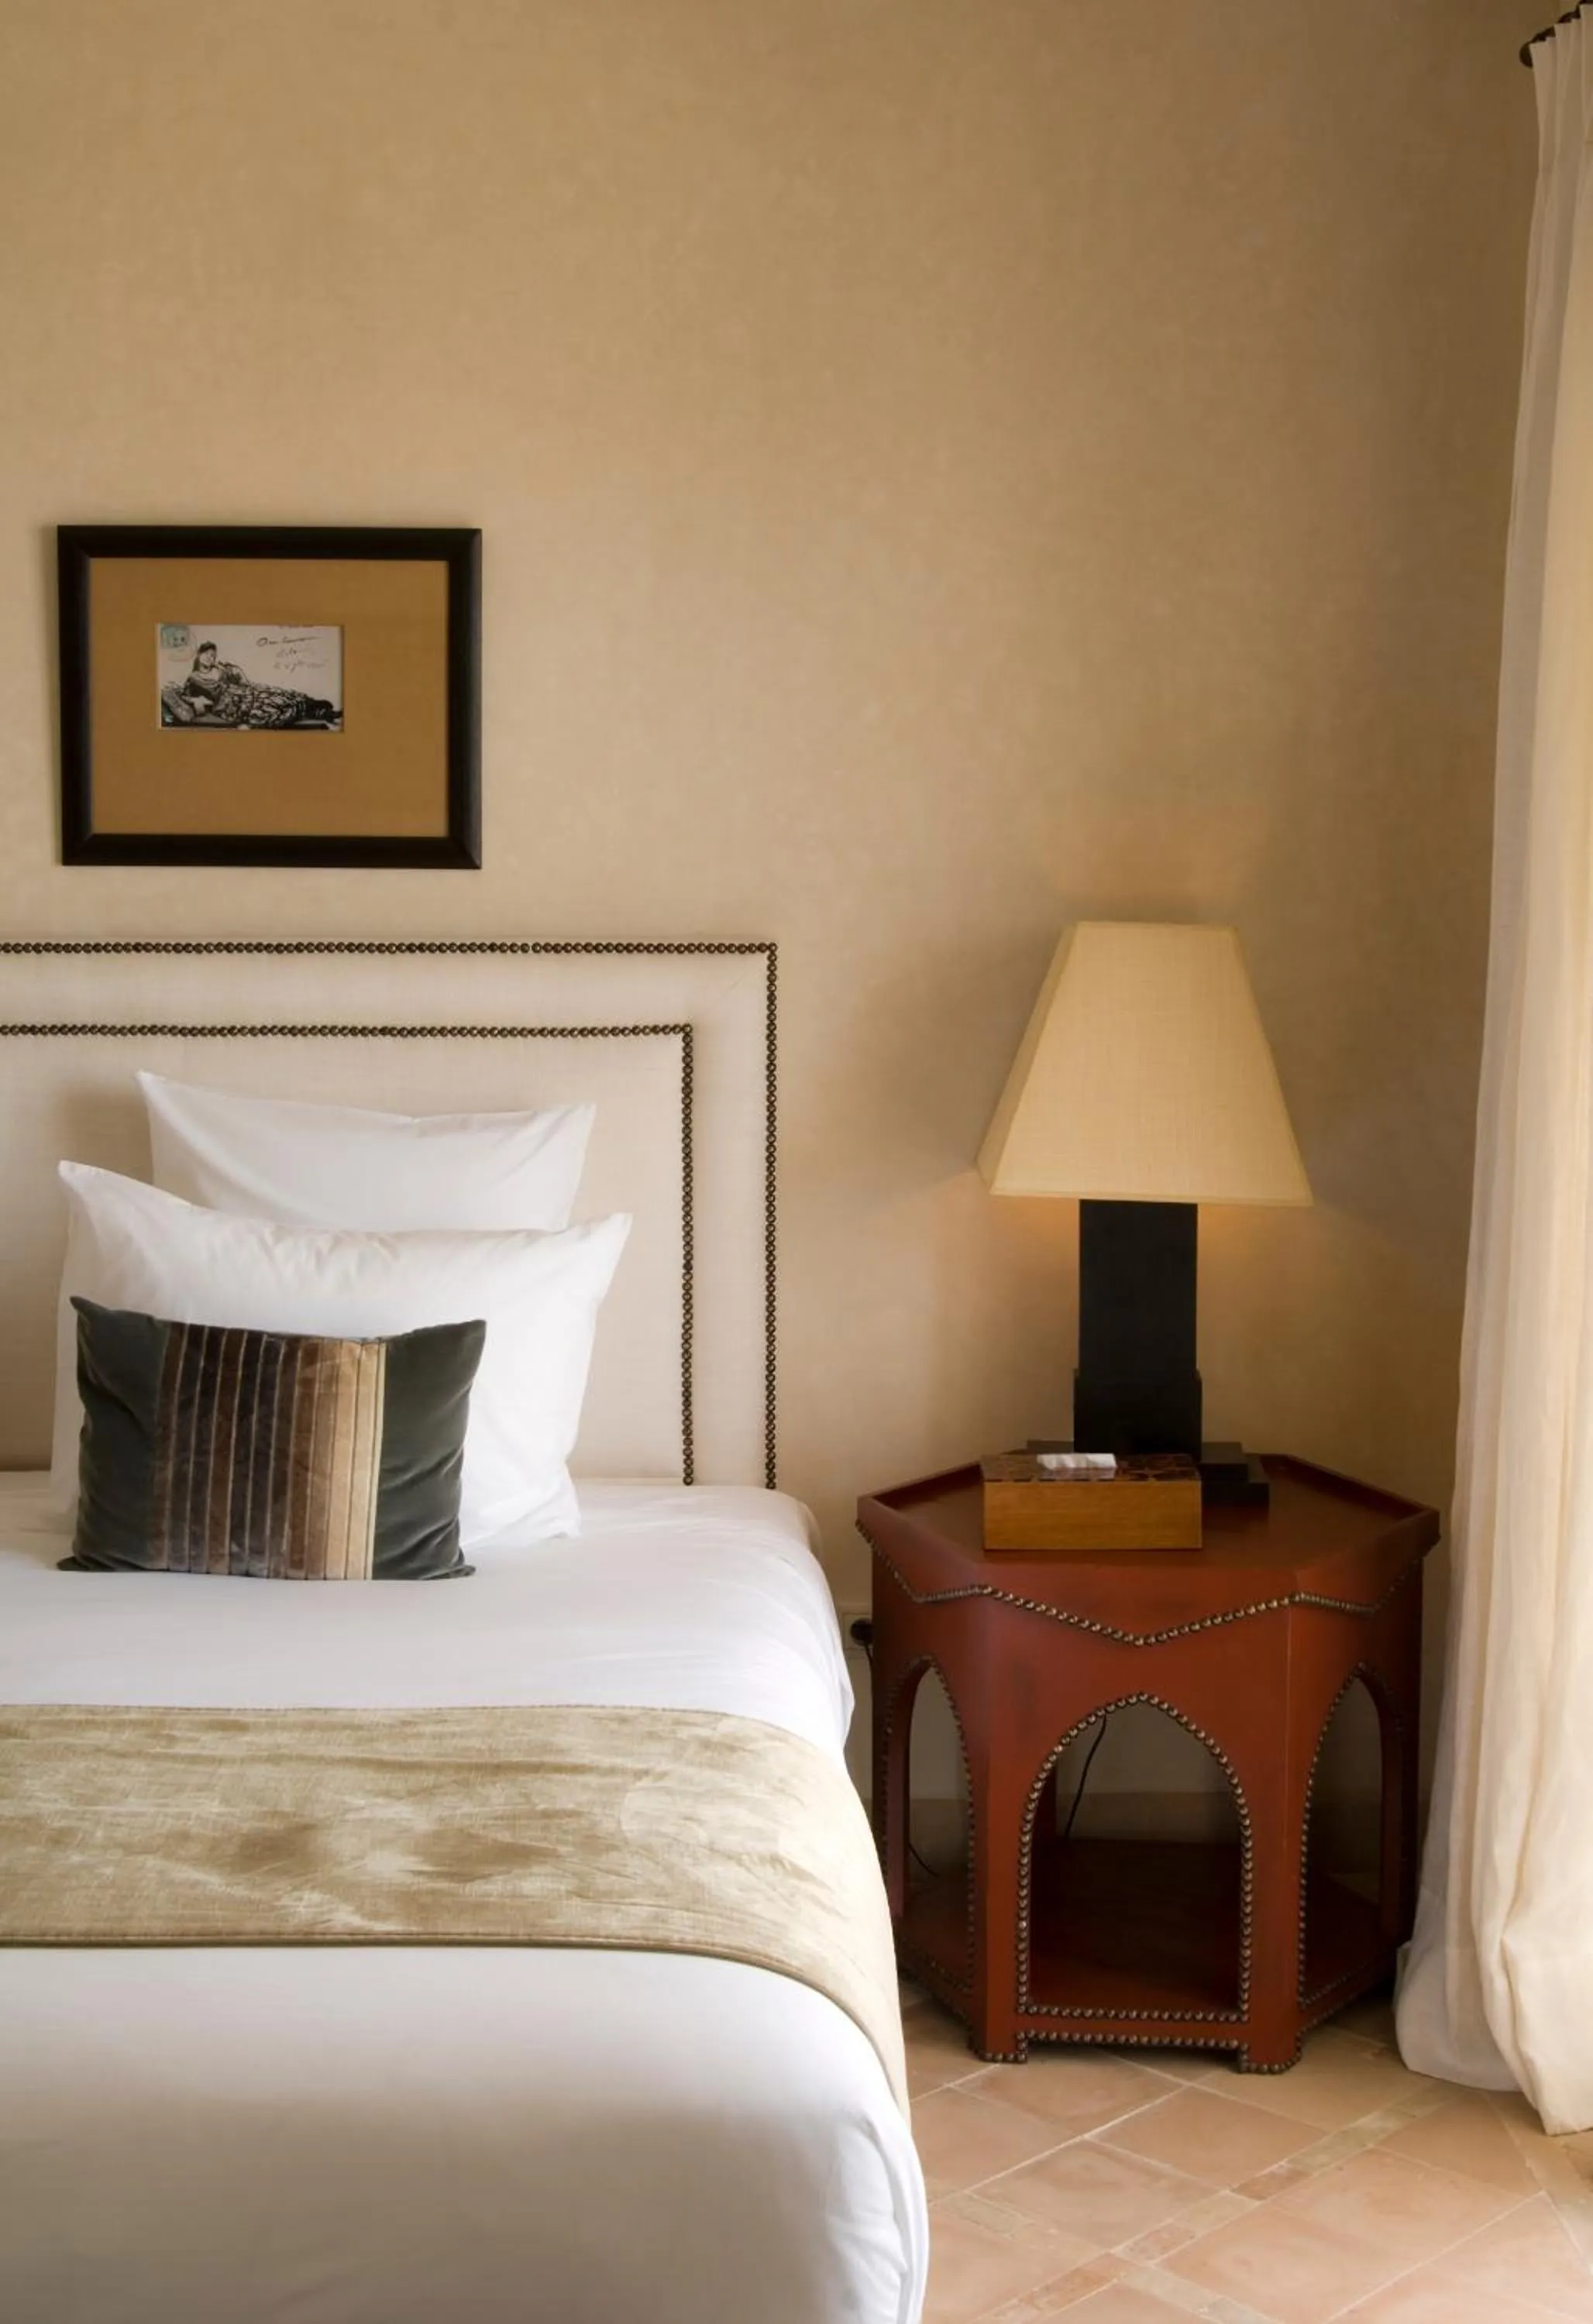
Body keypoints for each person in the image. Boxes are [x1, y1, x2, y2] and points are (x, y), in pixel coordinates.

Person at [160, 641, 338, 729]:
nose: (210, 658)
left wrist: (233, 670)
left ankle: (321, 710)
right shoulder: (194, 677)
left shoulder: (221, 670)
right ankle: (316, 712)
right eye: (206, 654)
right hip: (229, 704)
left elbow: (243, 681)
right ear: (198, 656)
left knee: (280, 694)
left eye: (213, 655)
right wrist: (197, 700)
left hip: (243, 692)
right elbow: (184, 694)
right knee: (270, 709)